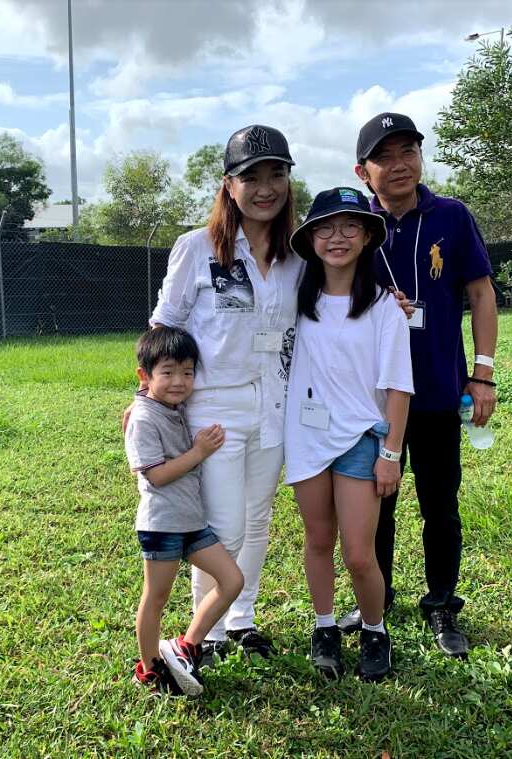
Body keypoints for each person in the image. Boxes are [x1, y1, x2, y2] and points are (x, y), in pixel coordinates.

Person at [335, 112, 499, 658]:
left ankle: (442, 605)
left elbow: (480, 294)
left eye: (408, 151)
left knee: (439, 504)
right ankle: (374, 600)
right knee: (376, 504)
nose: (400, 164)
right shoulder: (353, 229)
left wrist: (483, 374)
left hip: (433, 392)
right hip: (373, 402)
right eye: (385, 156)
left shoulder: (451, 216)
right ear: (364, 170)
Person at [146, 125, 304, 661]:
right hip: (212, 408)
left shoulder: (297, 256)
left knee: (258, 519)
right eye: (251, 177)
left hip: (274, 404)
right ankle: (205, 633)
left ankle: (241, 620)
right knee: (221, 527)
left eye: (276, 175)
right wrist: (146, 395)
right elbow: (164, 324)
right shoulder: (197, 248)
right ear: (228, 185)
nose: (265, 188)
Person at [284, 187, 413, 682]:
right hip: (306, 437)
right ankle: (324, 628)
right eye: (325, 227)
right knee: (317, 539)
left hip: (362, 438)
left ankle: (375, 631)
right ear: (311, 238)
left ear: (366, 237)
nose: (337, 237)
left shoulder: (383, 307)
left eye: (350, 227)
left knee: (360, 553)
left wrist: (391, 453)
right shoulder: (296, 300)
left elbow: (398, 387)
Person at [125, 326, 244, 695]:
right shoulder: (143, 418)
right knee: (156, 598)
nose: (179, 381)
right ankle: (148, 669)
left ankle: (185, 646)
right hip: (162, 525)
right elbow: (156, 476)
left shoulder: (174, 407)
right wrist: (198, 453)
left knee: (232, 581)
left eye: (188, 372)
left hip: (192, 523)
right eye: (168, 372)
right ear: (144, 376)